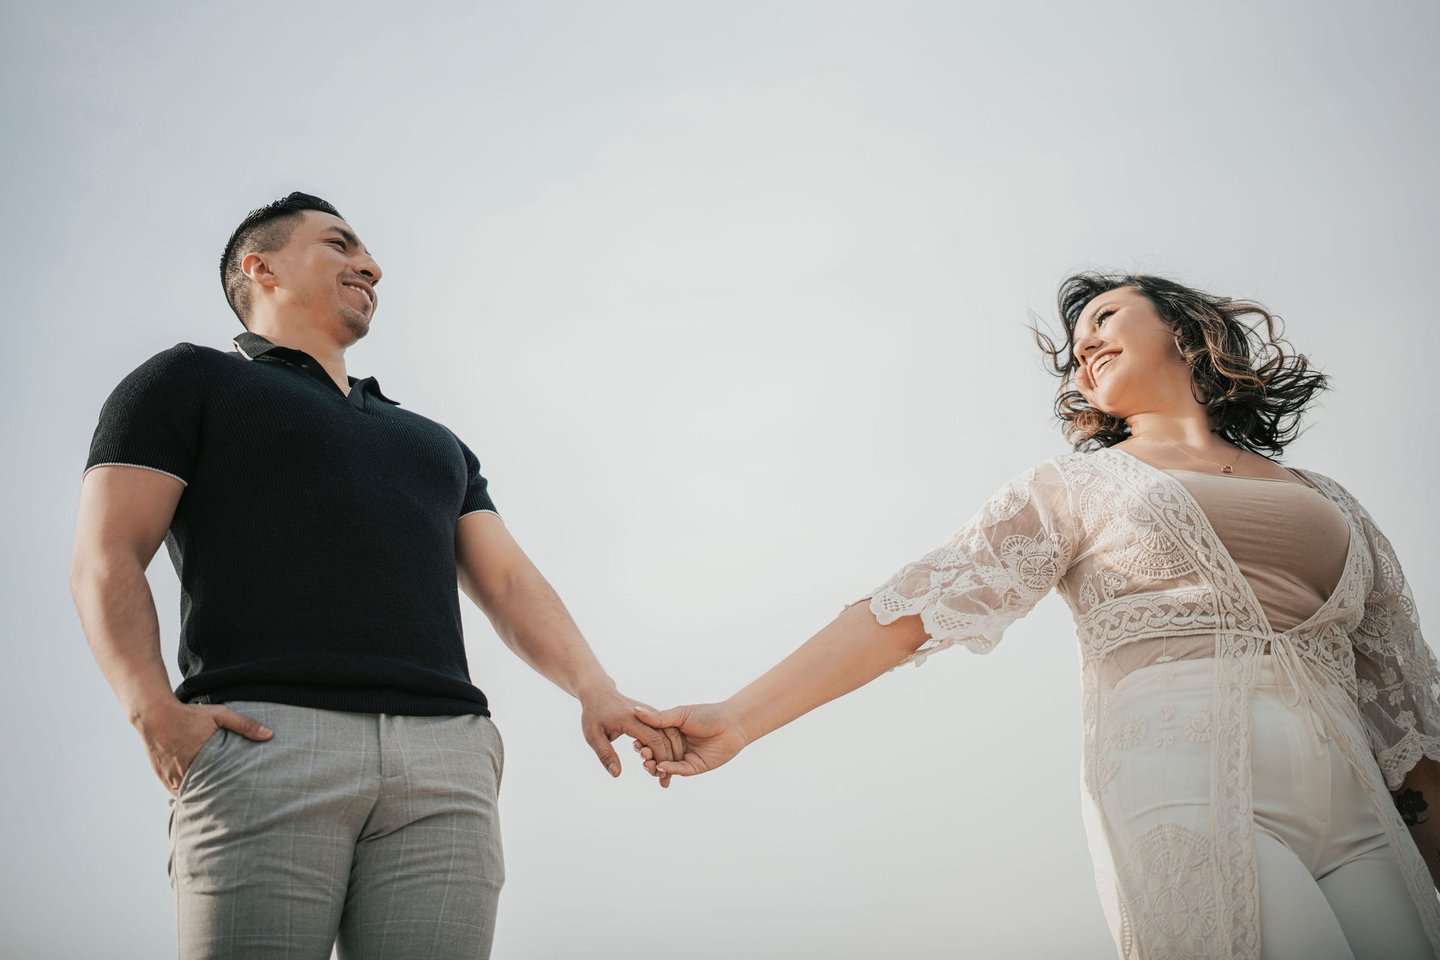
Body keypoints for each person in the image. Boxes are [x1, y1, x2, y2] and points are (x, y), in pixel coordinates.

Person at [636, 274, 1440, 959]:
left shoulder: (1333, 500)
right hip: (1184, 781)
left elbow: (1409, 724)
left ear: (1187, 331)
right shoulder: (1075, 487)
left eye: (1105, 319)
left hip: (1359, 807)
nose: (1085, 347)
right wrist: (737, 719)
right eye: (1076, 347)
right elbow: (911, 607)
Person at [69, 192, 681, 960]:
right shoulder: (186, 380)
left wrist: (595, 688)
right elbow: (107, 553)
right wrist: (152, 710)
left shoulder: (433, 443)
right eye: (340, 244)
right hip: (267, 742)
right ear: (261, 267)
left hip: (445, 761)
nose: (372, 266)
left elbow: (508, 582)